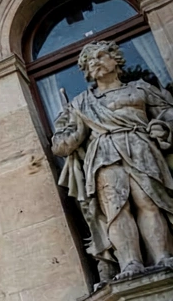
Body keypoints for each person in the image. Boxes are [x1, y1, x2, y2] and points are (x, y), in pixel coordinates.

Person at [52, 39, 173, 280]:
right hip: (103, 153)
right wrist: (77, 132)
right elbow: (60, 145)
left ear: (115, 59)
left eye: (100, 56)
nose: (95, 62)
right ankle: (130, 263)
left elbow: (168, 113)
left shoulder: (140, 89)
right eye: (89, 61)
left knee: (149, 201)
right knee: (116, 208)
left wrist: (163, 127)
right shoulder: (80, 104)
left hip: (140, 147)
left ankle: (163, 256)